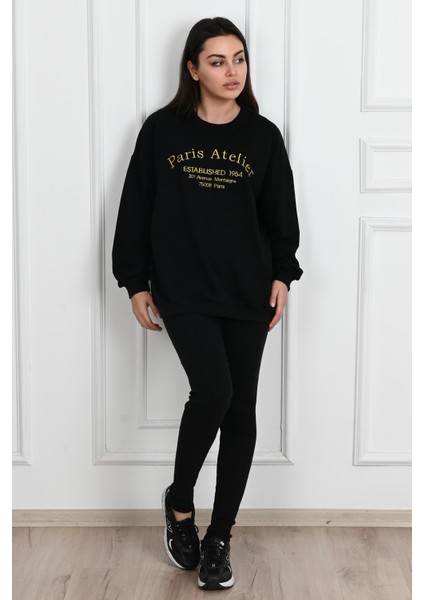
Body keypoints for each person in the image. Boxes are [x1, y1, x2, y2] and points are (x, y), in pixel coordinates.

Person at [112, 16, 303, 591]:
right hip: (184, 288)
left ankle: (219, 537)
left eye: (238, 59)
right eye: (217, 61)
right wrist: (135, 281)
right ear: (192, 69)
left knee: (240, 409)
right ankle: (179, 501)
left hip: (247, 289)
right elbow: (135, 208)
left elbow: (280, 215)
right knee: (215, 390)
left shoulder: (263, 136)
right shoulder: (161, 131)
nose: (231, 71)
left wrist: (283, 275)